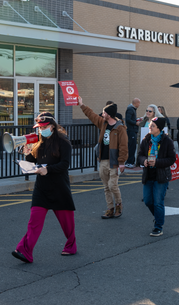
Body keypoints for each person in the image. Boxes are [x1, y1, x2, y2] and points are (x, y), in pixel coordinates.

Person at [12, 113, 76, 263]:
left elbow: (65, 164)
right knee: (34, 222)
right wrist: (26, 151)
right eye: (39, 128)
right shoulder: (39, 143)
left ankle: (71, 245)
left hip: (59, 187)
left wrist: (49, 169)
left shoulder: (63, 142)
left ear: (52, 126)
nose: (41, 130)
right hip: (42, 188)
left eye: (44, 127)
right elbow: (32, 160)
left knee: (67, 223)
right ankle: (24, 250)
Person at [78, 97, 128, 219]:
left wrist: (121, 162)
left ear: (109, 115)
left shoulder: (120, 128)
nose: (102, 114)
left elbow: (123, 146)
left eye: (104, 112)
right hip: (104, 160)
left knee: (112, 186)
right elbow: (92, 115)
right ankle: (110, 208)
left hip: (114, 162)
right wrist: (81, 105)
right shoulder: (103, 123)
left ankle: (118, 205)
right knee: (106, 187)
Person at [137, 117, 176, 237]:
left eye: (152, 125)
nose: (150, 127)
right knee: (148, 201)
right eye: (149, 125)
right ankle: (158, 217)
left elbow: (172, 159)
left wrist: (157, 162)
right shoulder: (146, 140)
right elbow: (140, 155)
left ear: (159, 128)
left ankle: (158, 226)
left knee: (158, 202)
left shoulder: (167, 141)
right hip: (148, 175)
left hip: (161, 176)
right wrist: (144, 161)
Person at [125, 98, 141, 168]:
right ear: (136, 103)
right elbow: (128, 120)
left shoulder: (132, 109)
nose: (139, 105)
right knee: (132, 146)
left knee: (132, 146)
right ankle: (129, 162)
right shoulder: (130, 109)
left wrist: (137, 120)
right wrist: (136, 123)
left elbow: (130, 119)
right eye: (139, 103)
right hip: (131, 130)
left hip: (132, 130)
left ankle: (131, 161)